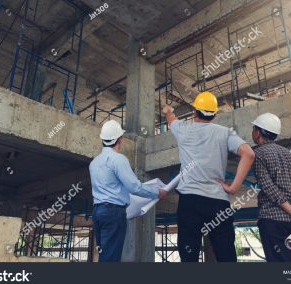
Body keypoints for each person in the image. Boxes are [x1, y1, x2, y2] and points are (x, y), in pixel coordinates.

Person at [163, 91, 255, 262]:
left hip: (189, 202)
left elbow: (171, 119)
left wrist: (168, 110)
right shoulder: (225, 132)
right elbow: (248, 154)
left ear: (194, 112)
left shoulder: (183, 129)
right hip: (218, 202)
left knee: (188, 256)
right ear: (213, 115)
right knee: (226, 255)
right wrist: (234, 187)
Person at [219, 112, 291, 262]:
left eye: (253, 129)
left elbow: (268, 187)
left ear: (257, 133)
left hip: (273, 220)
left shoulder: (258, 153)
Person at [89, 120, 168, 262]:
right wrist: (157, 192)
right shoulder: (118, 160)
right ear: (120, 139)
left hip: (97, 212)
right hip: (113, 213)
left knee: (104, 254)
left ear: (103, 139)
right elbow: (134, 187)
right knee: (111, 258)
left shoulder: (94, 162)